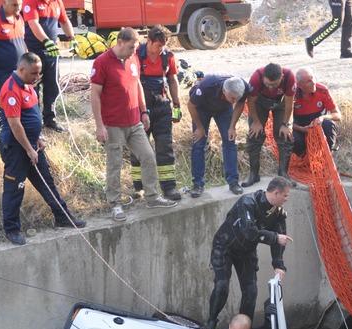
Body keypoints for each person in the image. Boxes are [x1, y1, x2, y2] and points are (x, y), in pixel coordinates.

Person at [90, 28, 178, 223]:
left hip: (134, 121)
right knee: (114, 165)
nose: (133, 51)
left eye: (135, 48)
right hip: (112, 124)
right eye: (130, 47)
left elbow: (137, 83)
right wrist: (99, 126)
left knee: (148, 156)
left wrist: (143, 111)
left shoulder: (133, 59)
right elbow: (94, 94)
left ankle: (152, 197)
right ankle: (115, 204)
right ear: (120, 42)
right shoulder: (102, 62)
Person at [0, 52, 86, 245]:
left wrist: (37, 138)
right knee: (15, 188)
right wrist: (29, 149)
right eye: (33, 73)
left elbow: (32, 117)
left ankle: (63, 217)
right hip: (16, 149)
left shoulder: (29, 87)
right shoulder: (11, 89)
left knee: (47, 182)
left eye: (39, 73)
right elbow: (15, 125)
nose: (37, 77)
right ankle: (12, 230)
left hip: (32, 145)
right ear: (21, 70)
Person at [203, 176, 293, 329]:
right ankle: (211, 322)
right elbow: (249, 232)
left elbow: (280, 239)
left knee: (251, 291)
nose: (287, 198)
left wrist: (278, 264)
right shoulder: (247, 203)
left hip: (246, 251)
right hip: (225, 246)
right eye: (285, 195)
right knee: (222, 285)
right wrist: (274, 237)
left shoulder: (278, 212)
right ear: (276, 193)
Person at [129, 25, 182, 202]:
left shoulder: (168, 57)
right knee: (138, 149)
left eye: (163, 46)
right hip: (139, 108)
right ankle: (139, 188)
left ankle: (169, 187)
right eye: (158, 45)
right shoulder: (135, 55)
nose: (160, 49)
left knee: (165, 148)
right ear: (149, 41)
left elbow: (173, 80)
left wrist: (176, 104)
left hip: (162, 107)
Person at [186, 74, 251, 197]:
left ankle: (233, 182)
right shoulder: (208, 85)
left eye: (237, 98)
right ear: (224, 91)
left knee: (230, 141)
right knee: (199, 143)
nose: (234, 101)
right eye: (232, 98)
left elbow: (240, 105)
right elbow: (191, 105)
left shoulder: (243, 86)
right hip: (202, 108)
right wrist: (199, 127)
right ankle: (197, 184)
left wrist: (232, 126)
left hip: (223, 110)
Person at [22, 0, 74, 132]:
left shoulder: (57, 2)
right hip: (34, 52)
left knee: (52, 85)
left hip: (52, 52)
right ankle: (34, 120)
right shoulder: (31, 2)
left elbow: (64, 20)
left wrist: (72, 38)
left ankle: (50, 119)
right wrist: (46, 42)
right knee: (33, 87)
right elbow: (33, 23)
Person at [244, 63, 296, 185]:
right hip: (259, 103)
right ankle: (253, 174)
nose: (271, 87)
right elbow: (250, 102)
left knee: (284, 135)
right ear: (263, 78)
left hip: (280, 103)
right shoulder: (256, 77)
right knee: (254, 135)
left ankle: (283, 173)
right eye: (267, 84)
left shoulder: (289, 76)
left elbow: (289, 104)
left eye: (274, 84)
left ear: (281, 77)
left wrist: (285, 124)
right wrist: (256, 122)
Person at [292, 67, 341, 157]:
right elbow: (284, 122)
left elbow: (338, 115)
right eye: (308, 81)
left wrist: (322, 118)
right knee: (291, 137)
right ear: (299, 85)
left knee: (328, 124)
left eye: (313, 78)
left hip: (318, 125)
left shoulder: (322, 90)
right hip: (300, 127)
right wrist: (301, 129)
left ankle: (327, 155)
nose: (313, 82)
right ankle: (303, 157)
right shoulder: (291, 94)